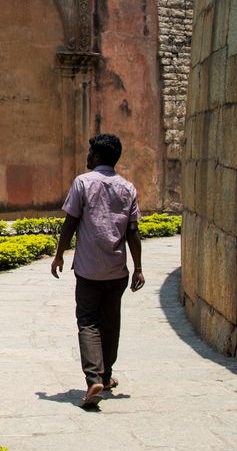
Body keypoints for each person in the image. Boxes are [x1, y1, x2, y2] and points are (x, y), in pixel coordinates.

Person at [50, 133, 144, 409]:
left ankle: (94, 379)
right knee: (110, 323)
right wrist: (138, 267)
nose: (88, 156)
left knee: (88, 322)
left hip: (89, 269)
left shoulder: (83, 183)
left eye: (91, 152)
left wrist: (59, 255)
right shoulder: (127, 188)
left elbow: (70, 222)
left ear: (99, 156)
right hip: (117, 271)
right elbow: (133, 231)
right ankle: (107, 375)